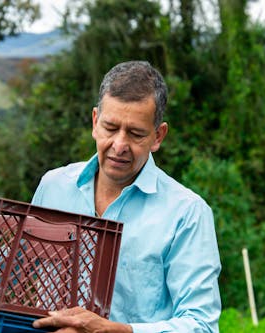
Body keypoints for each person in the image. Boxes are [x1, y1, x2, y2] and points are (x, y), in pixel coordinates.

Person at [31, 61, 221, 333]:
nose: (119, 145)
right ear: (95, 122)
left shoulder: (187, 213)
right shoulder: (53, 187)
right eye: (110, 128)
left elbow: (201, 325)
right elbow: (21, 283)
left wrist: (119, 331)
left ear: (158, 136)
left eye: (135, 134)